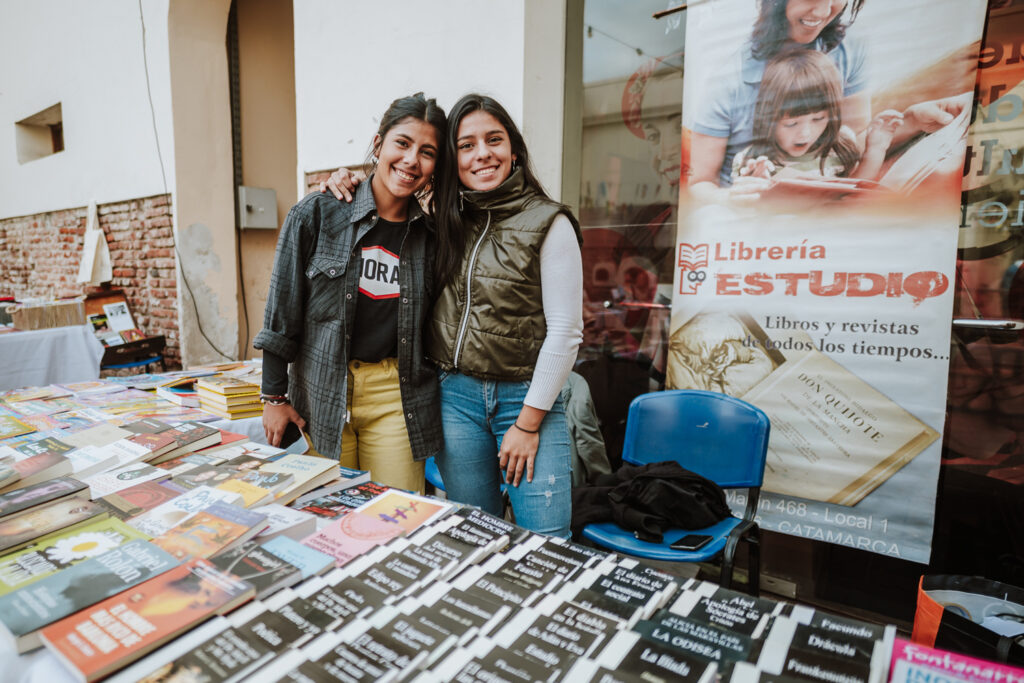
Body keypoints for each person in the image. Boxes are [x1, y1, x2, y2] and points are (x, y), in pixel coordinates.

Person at [326, 94, 584, 538]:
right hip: (455, 400)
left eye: (494, 140)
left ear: (514, 150)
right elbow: (393, 185)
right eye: (466, 145)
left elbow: (566, 332)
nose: (482, 153)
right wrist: (348, 178)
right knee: (475, 534)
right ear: (454, 159)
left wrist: (527, 423)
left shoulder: (549, 222)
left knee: (550, 543)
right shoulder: (443, 218)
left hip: (524, 401)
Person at [253, 93, 447, 494]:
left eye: (427, 152)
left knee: (395, 517)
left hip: (395, 396)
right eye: (403, 143)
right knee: (324, 516)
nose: (412, 160)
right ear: (378, 145)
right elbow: (281, 310)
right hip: (321, 390)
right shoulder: (318, 214)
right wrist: (273, 397)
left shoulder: (431, 238)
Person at [689, 0, 968, 204]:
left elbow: (854, 151)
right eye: (792, 122)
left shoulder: (850, 45)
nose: (824, 12)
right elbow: (702, 182)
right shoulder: (727, 84)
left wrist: (908, 123)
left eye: (819, 119)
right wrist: (735, 197)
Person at [730, 48, 901, 184]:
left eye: (818, 119)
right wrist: (755, 186)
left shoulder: (840, 146)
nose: (805, 133)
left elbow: (856, 188)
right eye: (791, 123)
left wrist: (876, 149)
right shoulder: (752, 160)